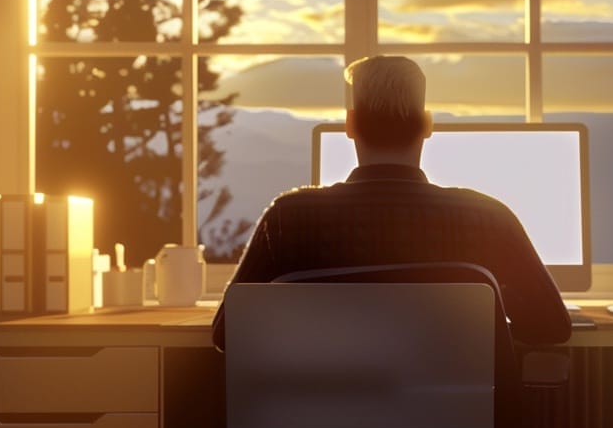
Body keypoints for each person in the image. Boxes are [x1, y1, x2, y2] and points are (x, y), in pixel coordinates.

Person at [211, 54, 571, 351]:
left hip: (321, 425)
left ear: (350, 125)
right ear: (428, 125)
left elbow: (227, 333)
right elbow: (552, 327)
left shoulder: (288, 220)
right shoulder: (489, 219)